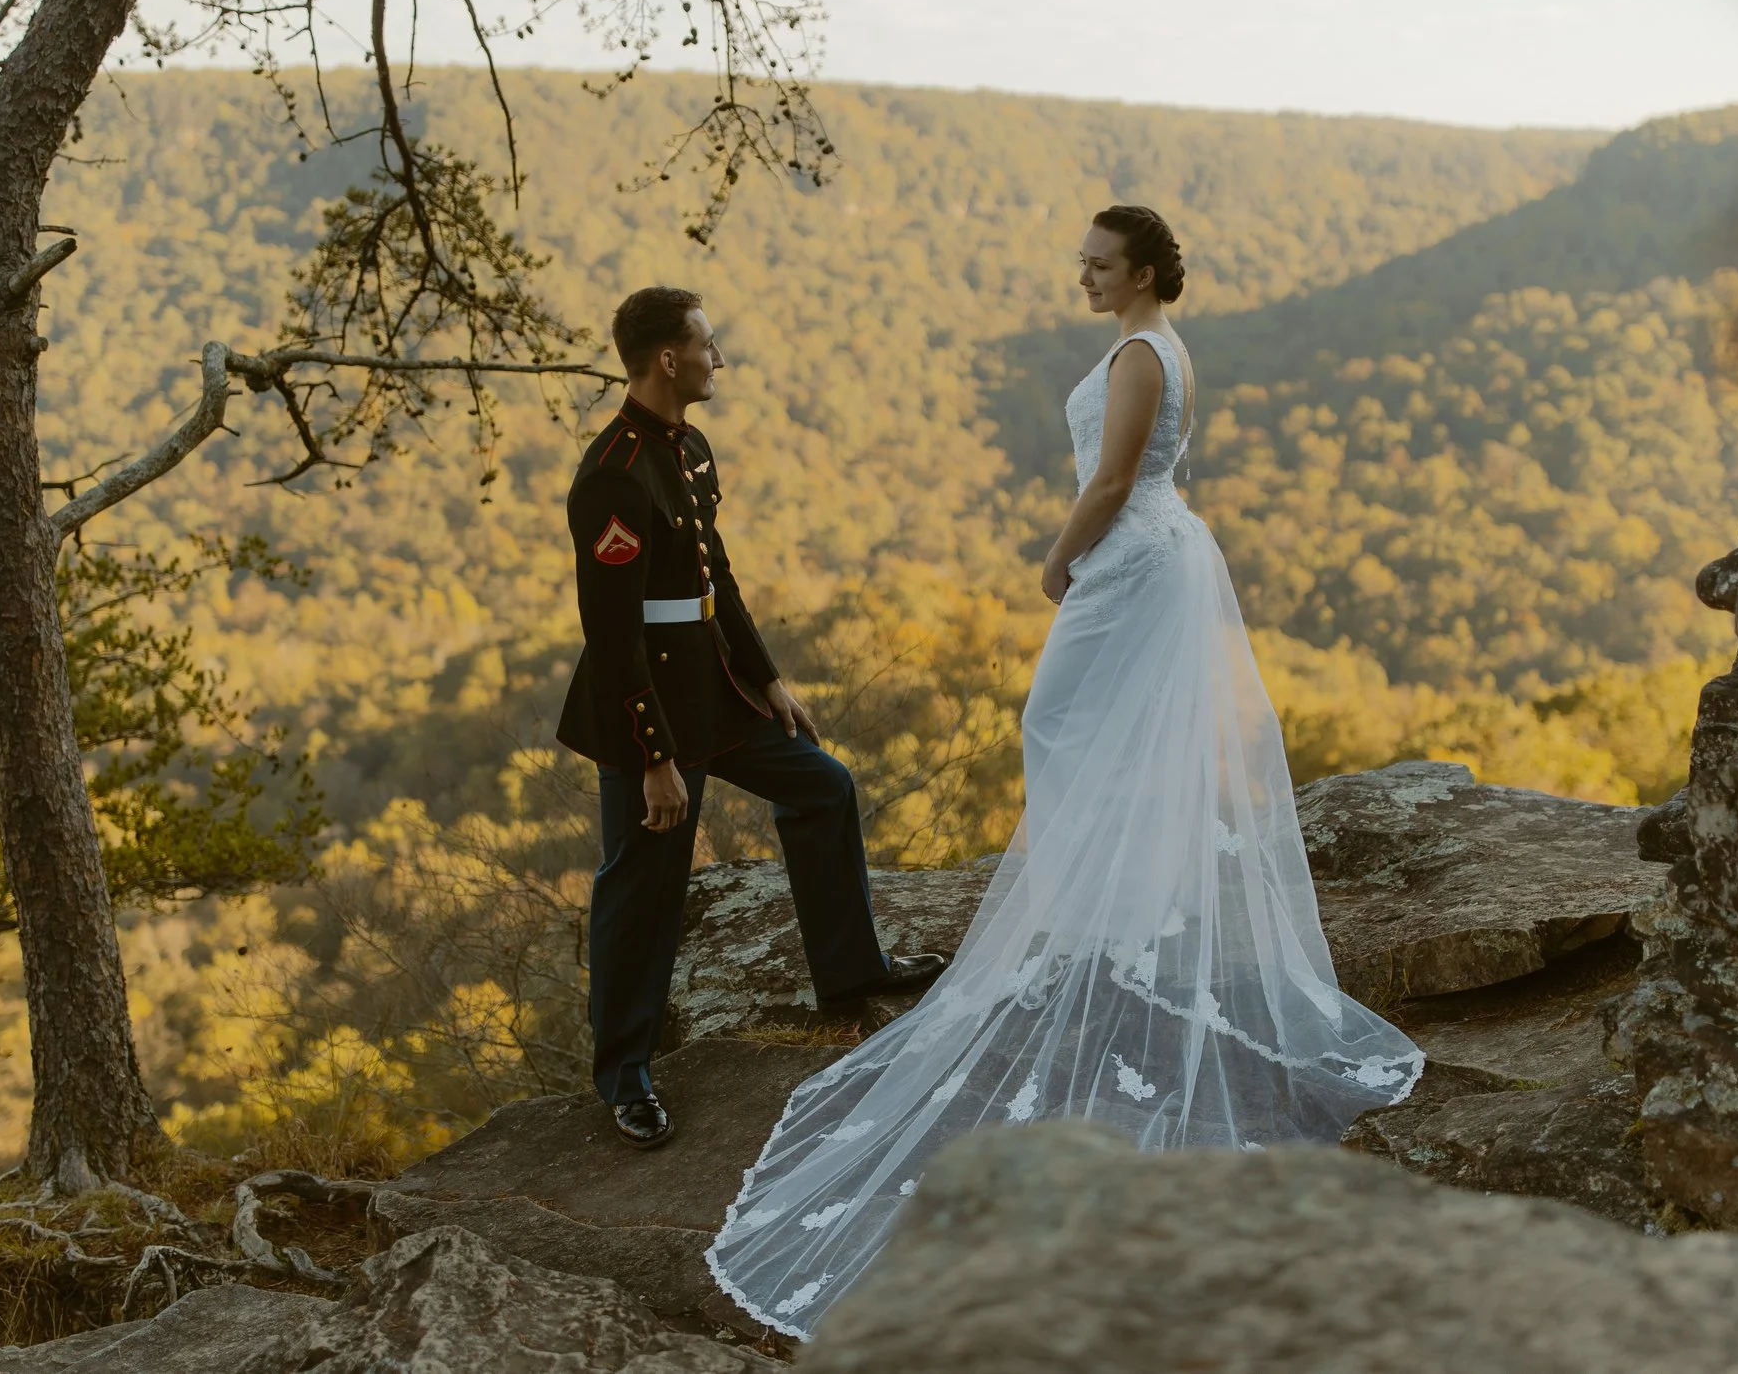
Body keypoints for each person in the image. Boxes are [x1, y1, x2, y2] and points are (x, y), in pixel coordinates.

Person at [705, 208, 1424, 1336]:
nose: (1080, 274)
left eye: (1097, 262)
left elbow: (1114, 477)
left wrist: (1057, 556)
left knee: (1063, 718)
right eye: (1081, 260)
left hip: (1128, 554)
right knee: (1098, 729)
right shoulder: (1144, 344)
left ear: (1141, 270)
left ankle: (1103, 907)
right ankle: (1113, 901)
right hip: (1146, 553)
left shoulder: (1143, 352)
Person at [558, 286, 949, 1150]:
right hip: (645, 708)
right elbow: (613, 634)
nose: (718, 357)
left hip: (715, 687)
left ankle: (850, 974)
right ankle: (623, 1076)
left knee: (822, 784)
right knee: (643, 884)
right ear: (669, 358)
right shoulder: (614, 473)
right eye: (707, 343)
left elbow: (716, 579)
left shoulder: (689, 448)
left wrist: (768, 679)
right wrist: (656, 757)